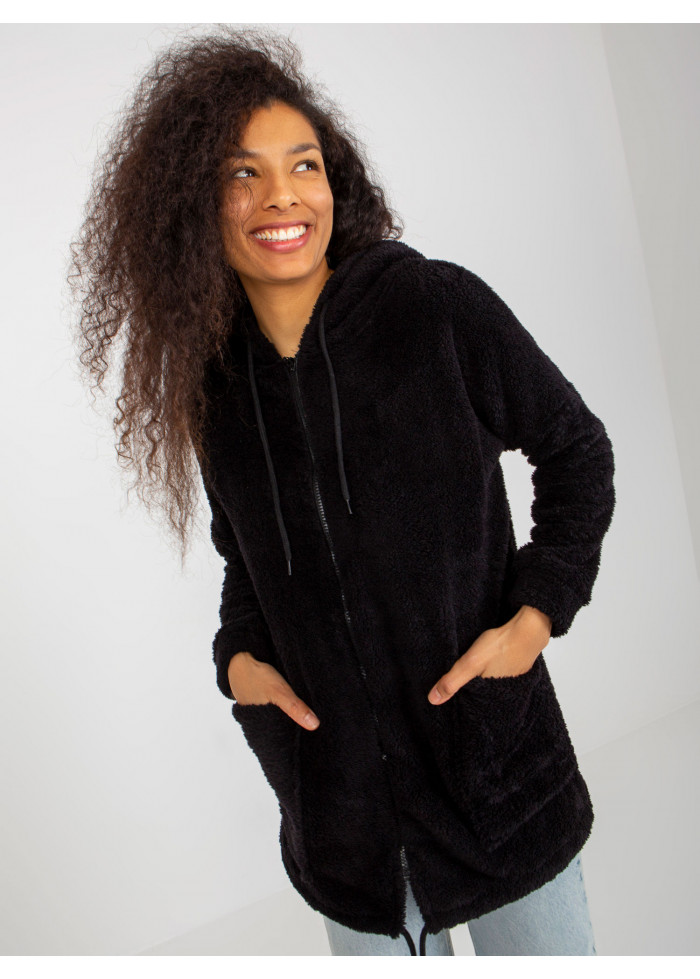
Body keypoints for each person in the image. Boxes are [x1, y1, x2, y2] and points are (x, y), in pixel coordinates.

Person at [69, 28, 615, 956]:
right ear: (194, 206)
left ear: (336, 183)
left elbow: (576, 451)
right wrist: (238, 661)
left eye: (303, 165)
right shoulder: (216, 391)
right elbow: (247, 562)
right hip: (347, 825)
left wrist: (535, 617)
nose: (281, 195)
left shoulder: (435, 309)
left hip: (497, 775)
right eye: (242, 174)